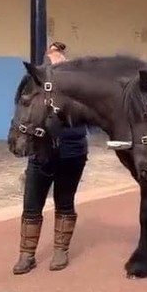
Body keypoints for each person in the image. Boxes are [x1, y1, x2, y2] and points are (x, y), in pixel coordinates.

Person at [13, 41, 89, 275]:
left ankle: (60, 250)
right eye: (50, 57)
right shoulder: (34, 83)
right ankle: (27, 254)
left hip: (72, 151)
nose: (53, 62)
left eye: (58, 58)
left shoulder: (77, 86)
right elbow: (23, 109)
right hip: (41, 151)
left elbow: (87, 116)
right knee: (31, 204)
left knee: (65, 202)